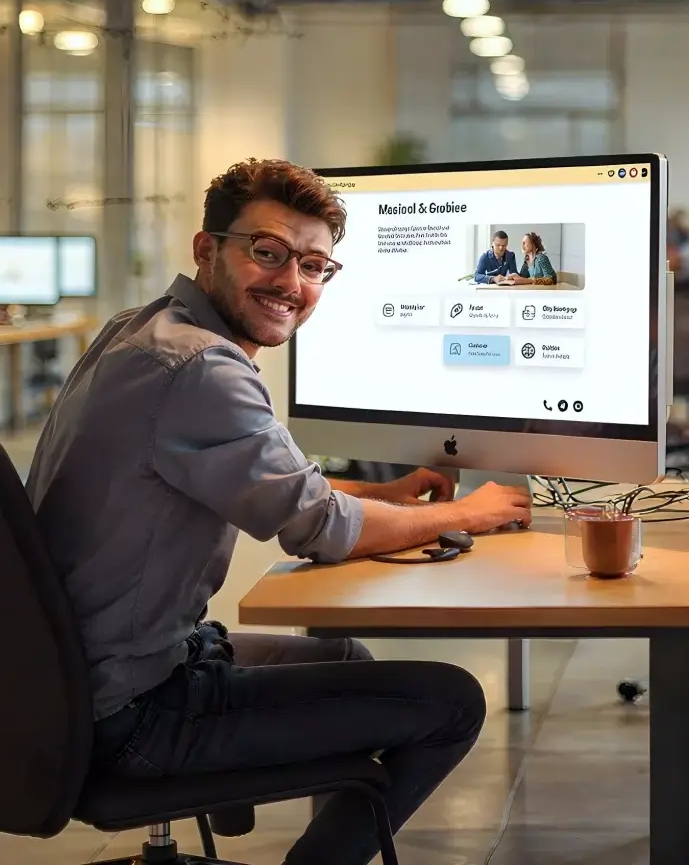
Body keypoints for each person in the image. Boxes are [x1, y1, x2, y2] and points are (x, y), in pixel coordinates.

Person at [26, 158, 532, 865]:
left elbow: (282, 484)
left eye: (315, 266)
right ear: (207, 249)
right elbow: (320, 529)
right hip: (130, 711)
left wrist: (385, 496)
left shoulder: (138, 333)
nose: (291, 283)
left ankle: (234, 796)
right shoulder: (199, 366)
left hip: (72, 686)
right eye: (268, 253)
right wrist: (471, 513)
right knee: (451, 702)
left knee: (340, 653)